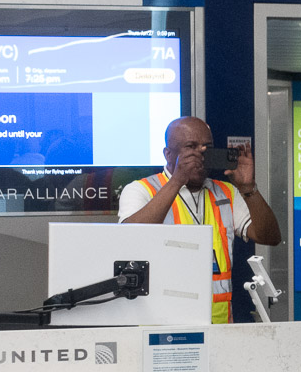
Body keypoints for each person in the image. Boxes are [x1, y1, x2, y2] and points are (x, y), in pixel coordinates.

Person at [118, 116, 282, 324]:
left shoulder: (226, 192)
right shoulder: (141, 190)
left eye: (207, 147)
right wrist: (178, 180)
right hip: (163, 325)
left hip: (219, 325)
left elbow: (270, 236)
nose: (201, 153)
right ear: (168, 154)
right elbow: (129, 239)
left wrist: (248, 188)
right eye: (191, 147)